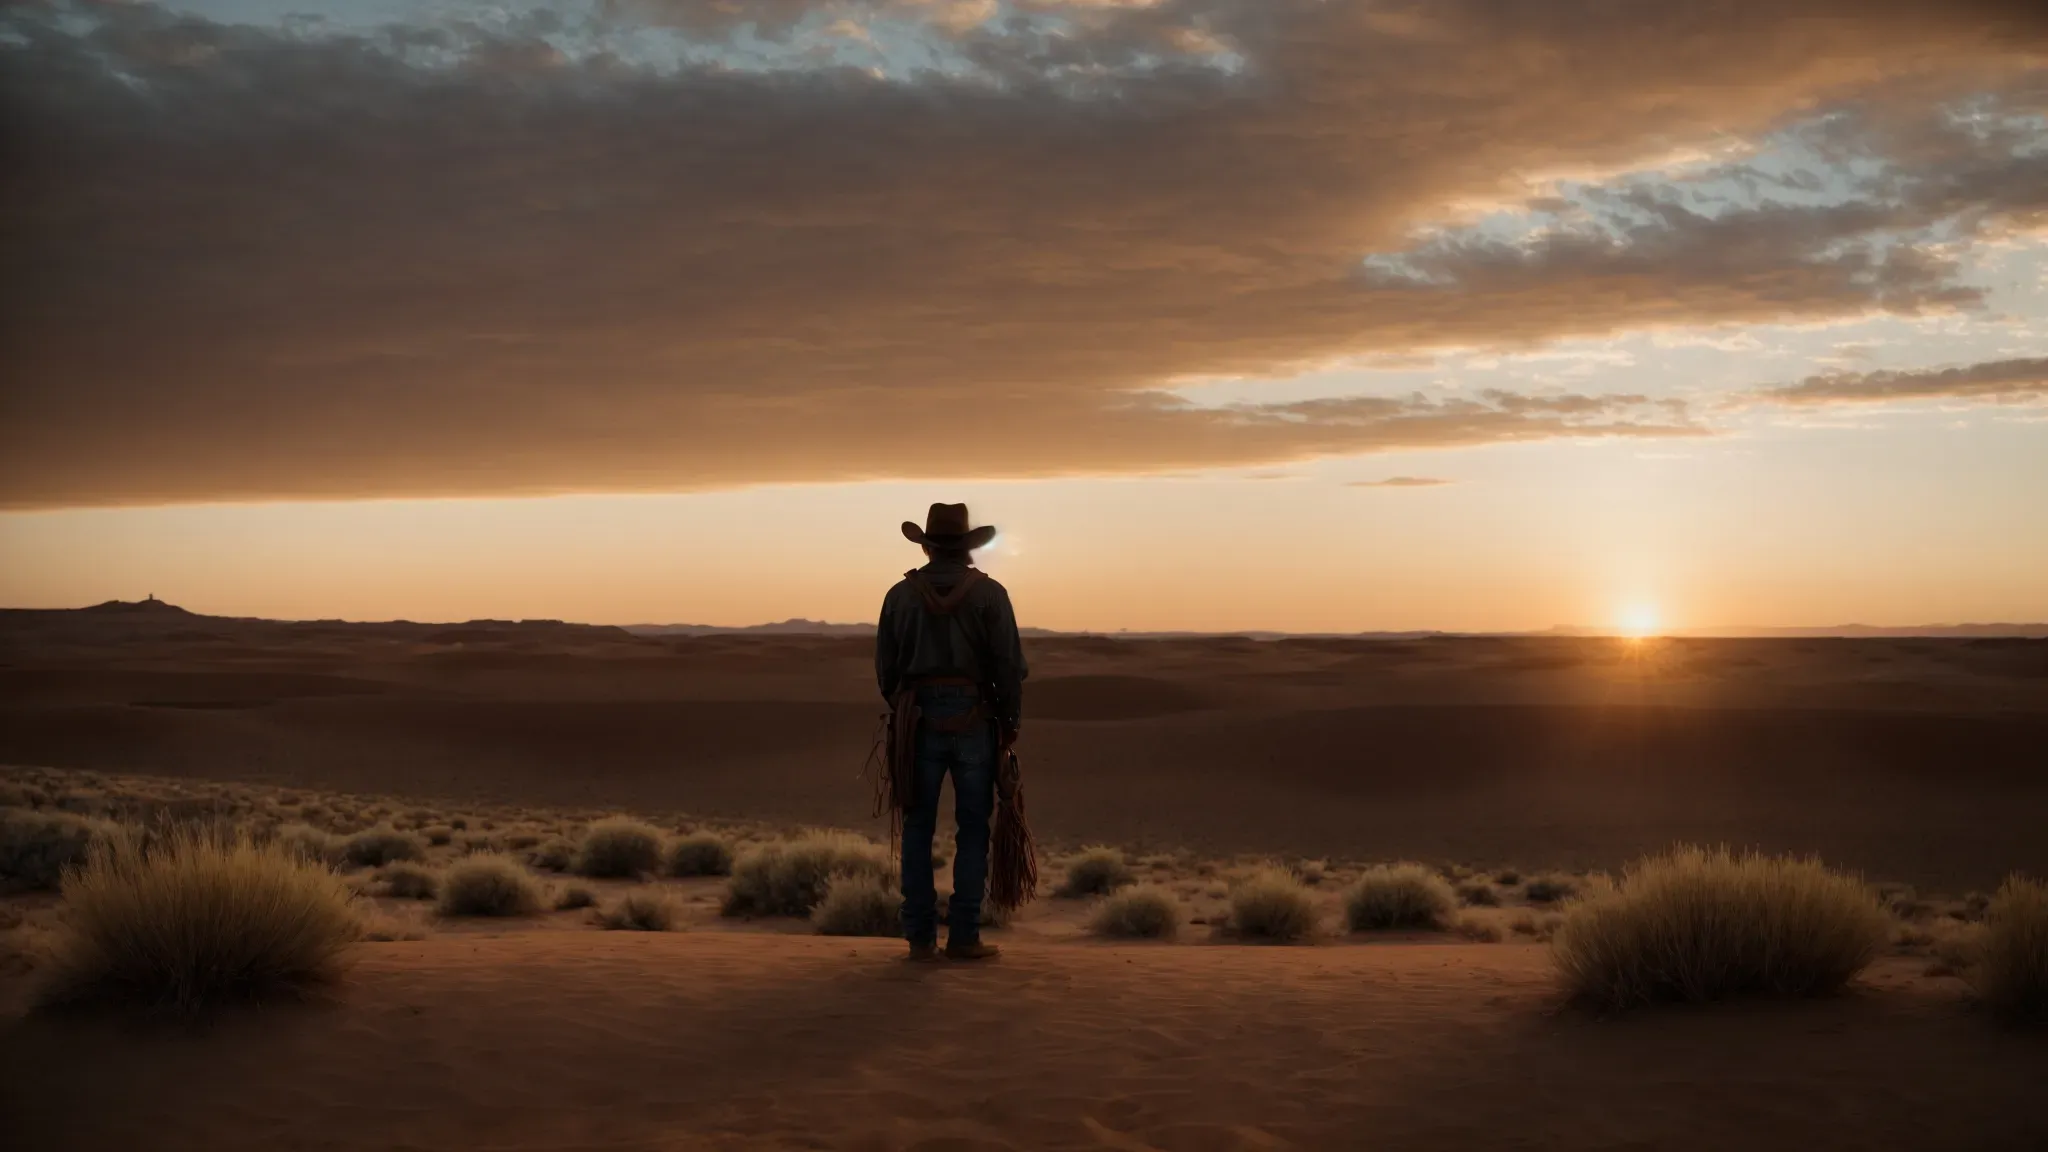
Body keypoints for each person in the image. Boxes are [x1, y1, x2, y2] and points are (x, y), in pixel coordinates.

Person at [876, 503, 1028, 961]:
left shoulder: (899, 596)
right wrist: (1008, 723)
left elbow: (886, 669)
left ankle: (919, 939)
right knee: (973, 829)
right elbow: (1010, 666)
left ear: (925, 546)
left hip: (917, 720)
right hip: (976, 719)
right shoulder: (991, 594)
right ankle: (964, 936)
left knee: (918, 828)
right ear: (966, 549)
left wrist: (906, 708)